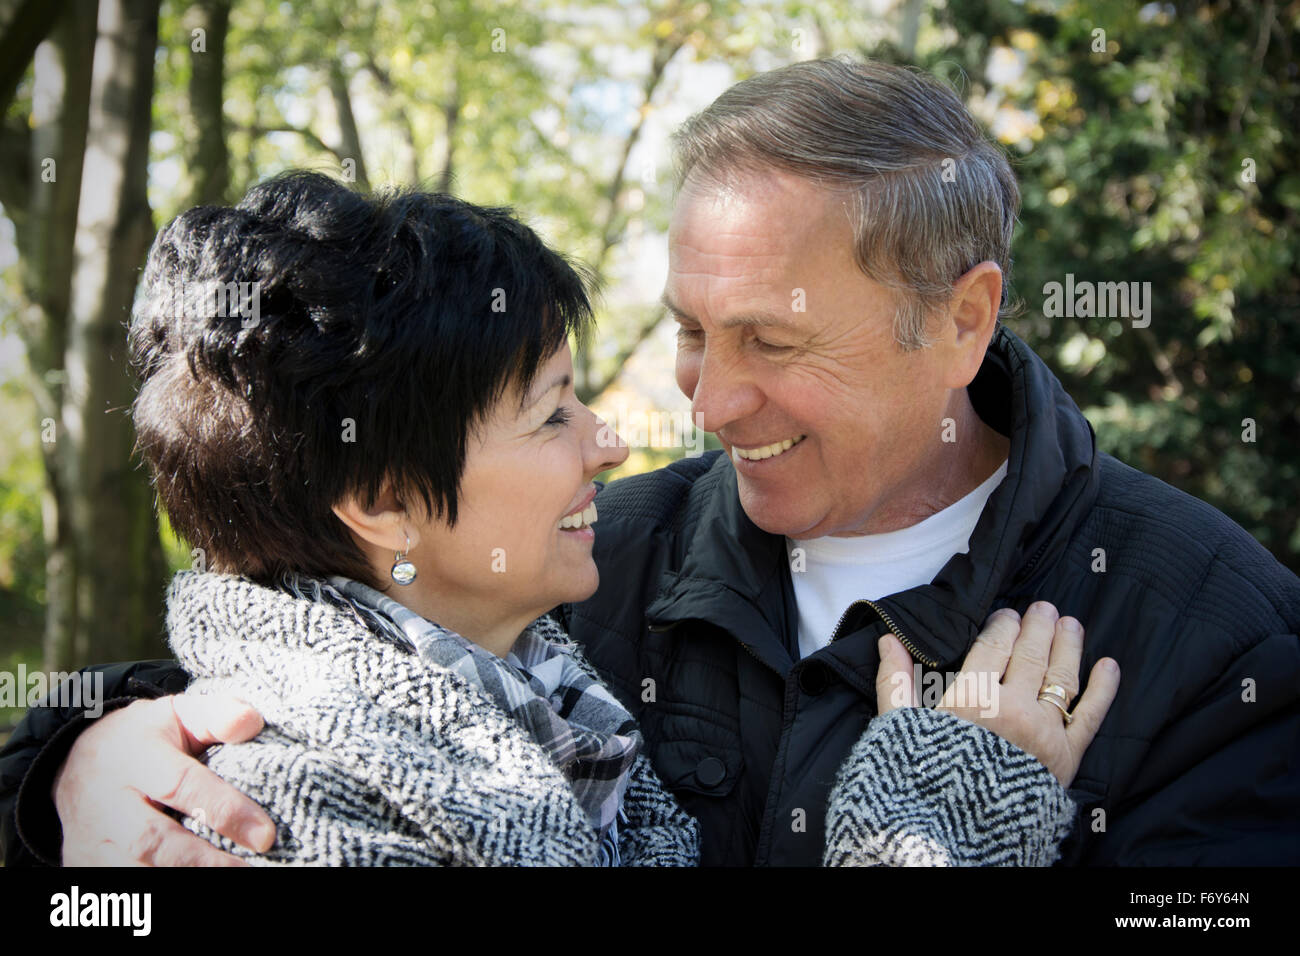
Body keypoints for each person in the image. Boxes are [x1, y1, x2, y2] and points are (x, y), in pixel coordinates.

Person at [25, 54, 1289, 866]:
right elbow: (324, 648)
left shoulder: (1215, 636)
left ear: (961, 319)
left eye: (772, 340)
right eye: (690, 330)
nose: (706, 398)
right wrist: (65, 775)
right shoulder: (583, 562)